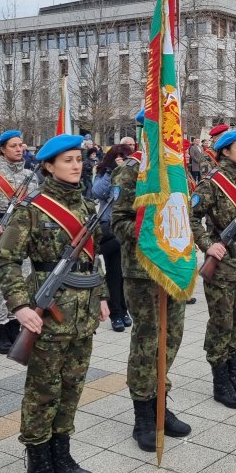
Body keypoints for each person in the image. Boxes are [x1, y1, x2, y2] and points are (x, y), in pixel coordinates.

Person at [0, 133, 109, 473]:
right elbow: (6, 261)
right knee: (43, 391)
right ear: (48, 165)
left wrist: (103, 296)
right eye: (68, 160)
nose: (77, 165)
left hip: (84, 315)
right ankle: (38, 461)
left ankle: (62, 453)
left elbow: (94, 259)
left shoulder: (88, 208)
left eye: (79, 159)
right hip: (49, 316)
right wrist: (21, 306)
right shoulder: (33, 209)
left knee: (73, 387)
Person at [110, 114, 191, 451]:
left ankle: (161, 402)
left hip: (173, 267)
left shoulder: (176, 168)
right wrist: (152, 236)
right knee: (147, 343)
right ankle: (143, 413)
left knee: (171, 338)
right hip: (142, 271)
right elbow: (118, 222)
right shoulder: (132, 170)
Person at [192, 128, 236, 408]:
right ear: (225, 151)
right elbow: (191, 215)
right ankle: (220, 381)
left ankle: (234, 375)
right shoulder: (212, 182)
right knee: (221, 324)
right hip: (222, 267)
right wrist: (207, 244)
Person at [0, 129, 38, 353]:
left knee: (19, 279)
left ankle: (14, 325)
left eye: (21, 145)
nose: (20, 149)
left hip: (22, 236)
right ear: (2, 149)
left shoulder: (30, 176)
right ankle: (0, 330)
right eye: (14, 145)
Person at [91, 142, 130, 332]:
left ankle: (124, 308)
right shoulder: (103, 172)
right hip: (110, 228)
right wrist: (112, 172)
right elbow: (98, 192)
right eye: (119, 156)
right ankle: (116, 312)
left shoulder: (134, 171)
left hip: (128, 228)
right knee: (114, 272)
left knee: (125, 272)